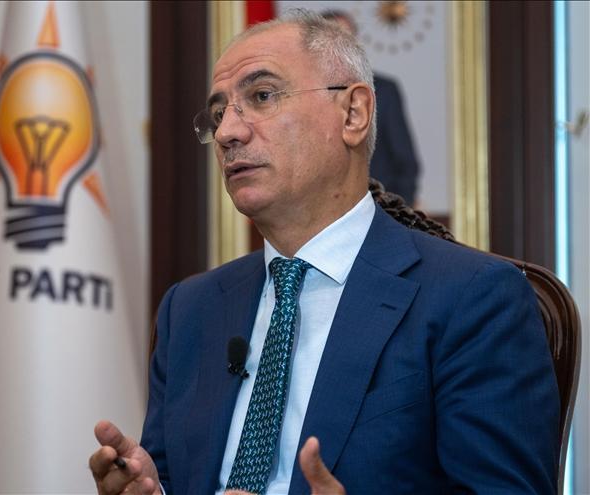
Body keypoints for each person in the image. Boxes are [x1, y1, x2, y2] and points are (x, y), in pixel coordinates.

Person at [90, 8, 558, 494]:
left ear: (353, 114)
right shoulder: (189, 310)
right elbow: (170, 476)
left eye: (262, 96)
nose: (228, 132)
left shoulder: (472, 298)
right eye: (219, 113)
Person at [322, 9, 421, 205]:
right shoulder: (303, 92)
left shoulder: (384, 90)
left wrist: (397, 211)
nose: (341, 49)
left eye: (347, 40)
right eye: (331, 42)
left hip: (376, 205)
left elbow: (405, 163)